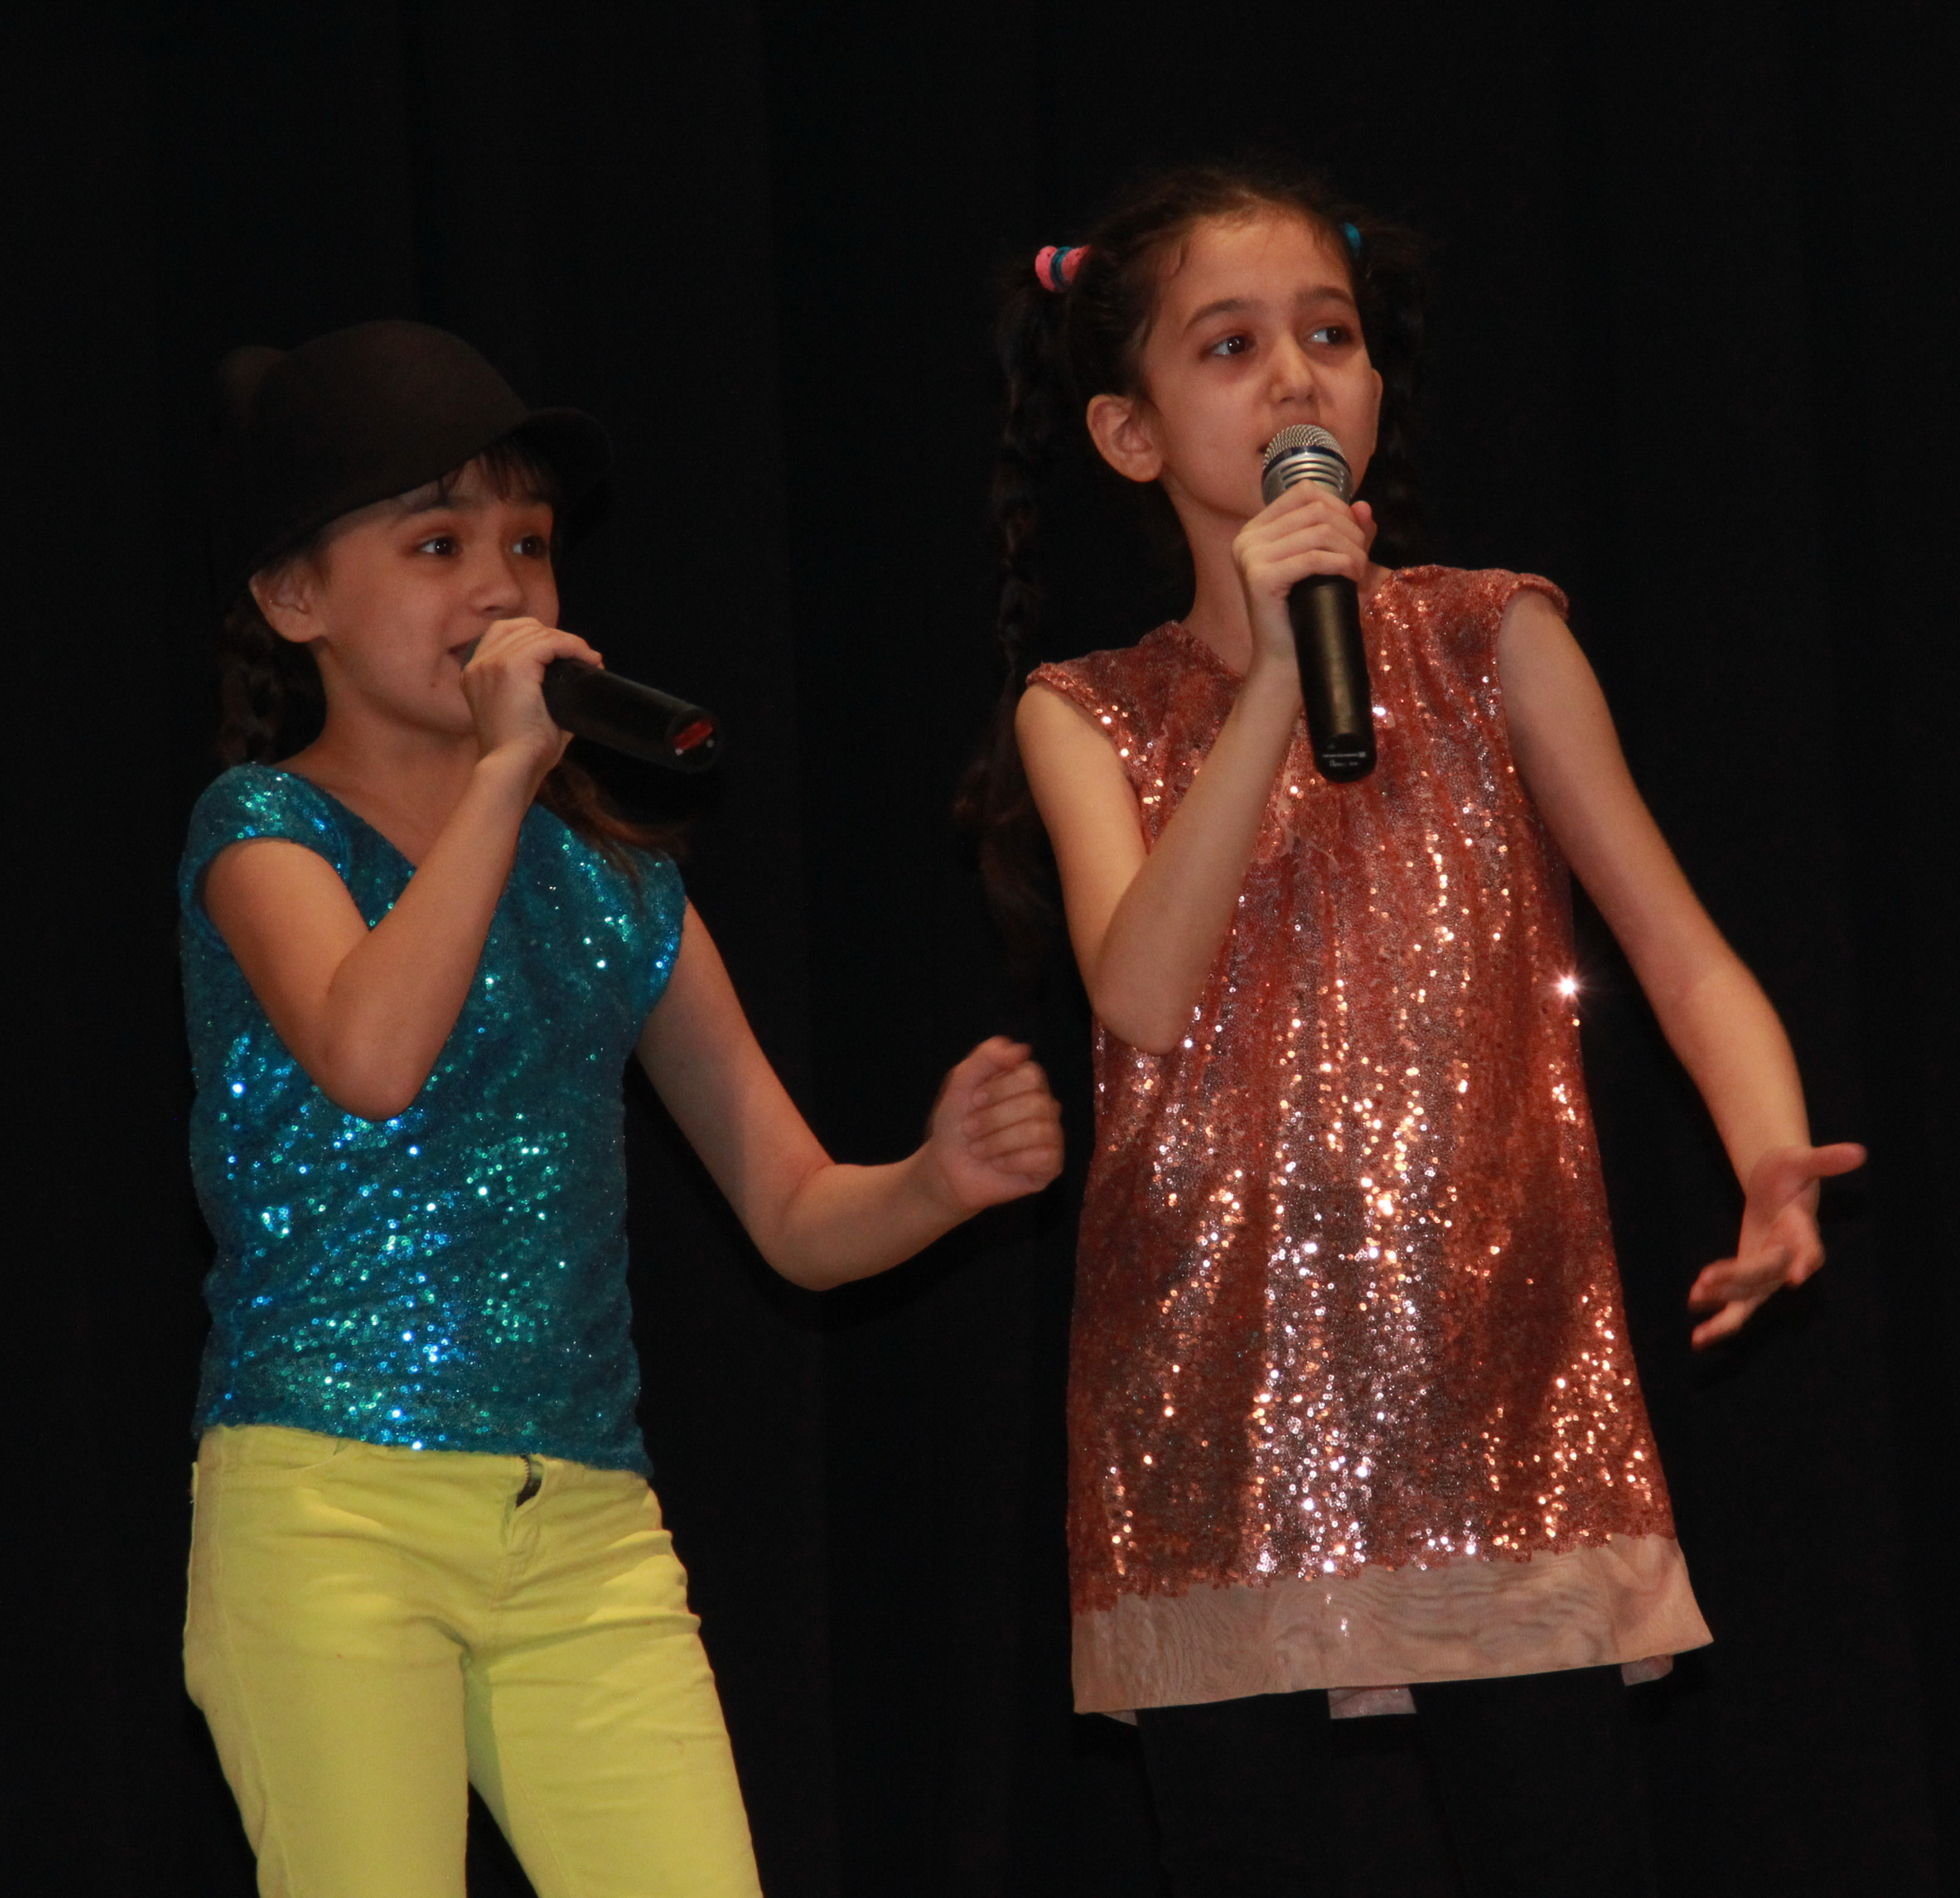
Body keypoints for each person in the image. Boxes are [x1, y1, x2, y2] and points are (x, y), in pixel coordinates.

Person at [963, 167, 1862, 1896]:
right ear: (1129, 433)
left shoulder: (1493, 637)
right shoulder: (1088, 713)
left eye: (1331, 334)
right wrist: (1273, 685)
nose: (1298, 377)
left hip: (1503, 1402)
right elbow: (1139, 994)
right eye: (1230, 346)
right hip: (1215, 1418)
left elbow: (1681, 952)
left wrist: (1768, 1154)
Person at [180, 319, 1064, 1898]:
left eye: (528, 544)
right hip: (330, 1509)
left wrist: (936, 1178)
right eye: (438, 544)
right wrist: (504, 779)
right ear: (295, 598)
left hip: (584, 1532)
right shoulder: (263, 832)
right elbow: (373, 1056)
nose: (501, 588)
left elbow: (794, 1212)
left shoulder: (615, 889)